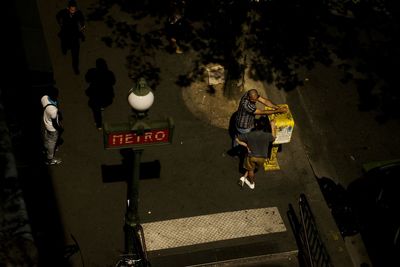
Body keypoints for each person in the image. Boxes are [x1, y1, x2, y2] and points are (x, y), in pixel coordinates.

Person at [236, 117, 276, 189]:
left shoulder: (250, 134)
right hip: (262, 157)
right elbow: (273, 137)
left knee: (251, 169)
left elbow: (237, 138)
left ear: (256, 125)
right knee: (253, 168)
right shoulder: (267, 135)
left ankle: (251, 184)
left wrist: (246, 145)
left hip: (252, 156)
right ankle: (244, 178)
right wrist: (273, 125)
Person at [85, 58, 116, 130]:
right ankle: (100, 117)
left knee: (95, 109)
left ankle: (99, 124)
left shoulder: (93, 72)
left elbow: (87, 79)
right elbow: (113, 82)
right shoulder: (109, 73)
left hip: (96, 96)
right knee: (98, 107)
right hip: (107, 96)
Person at [56, 0, 85, 75]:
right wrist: (60, 23)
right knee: (64, 45)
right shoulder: (63, 12)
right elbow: (58, 16)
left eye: (74, 9)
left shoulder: (78, 13)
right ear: (68, 8)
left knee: (75, 54)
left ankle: (75, 67)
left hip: (75, 35)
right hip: (66, 34)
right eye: (72, 10)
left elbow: (82, 19)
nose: (73, 11)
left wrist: (82, 26)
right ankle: (64, 49)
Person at [41, 87, 63, 165]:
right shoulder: (53, 110)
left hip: (46, 123)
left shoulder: (44, 98)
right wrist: (60, 129)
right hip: (52, 128)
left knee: (47, 138)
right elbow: (55, 124)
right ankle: (49, 159)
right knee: (52, 143)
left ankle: (45, 148)